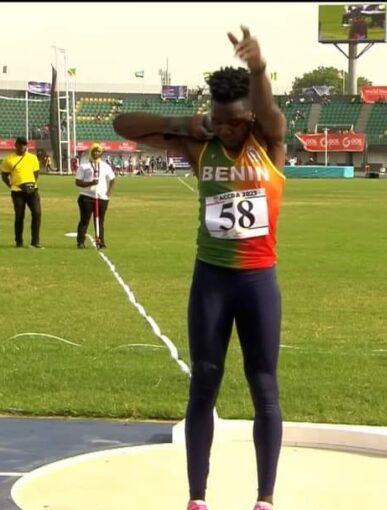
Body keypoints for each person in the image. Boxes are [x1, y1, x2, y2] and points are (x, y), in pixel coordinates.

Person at [113, 25, 286, 510]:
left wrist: (258, 70)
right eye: (219, 121)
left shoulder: (269, 143)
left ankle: (265, 498)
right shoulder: (200, 145)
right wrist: (189, 124)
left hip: (257, 282)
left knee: (264, 385)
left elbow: (271, 112)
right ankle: (197, 498)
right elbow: (123, 126)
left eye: (233, 122)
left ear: (249, 116)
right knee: (204, 380)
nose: (226, 128)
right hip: (210, 280)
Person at [1, 136, 43, 248]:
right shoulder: (9, 159)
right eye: (20, 144)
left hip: (32, 191)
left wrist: (30, 184)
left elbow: (36, 174)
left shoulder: (33, 158)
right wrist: (12, 185)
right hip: (17, 191)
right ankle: (18, 241)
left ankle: (35, 241)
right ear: (16, 145)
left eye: (24, 145)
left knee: (37, 213)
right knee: (19, 216)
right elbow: (4, 176)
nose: (22, 147)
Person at [75, 143, 116, 249]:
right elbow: (78, 182)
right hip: (86, 197)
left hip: (102, 197)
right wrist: (91, 183)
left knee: (100, 221)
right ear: (91, 151)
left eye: (98, 151)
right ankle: (80, 242)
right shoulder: (84, 165)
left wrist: (108, 193)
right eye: (94, 151)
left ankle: (101, 242)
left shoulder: (105, 166)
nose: (96, 153)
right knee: (84, 220)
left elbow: (112, 179)